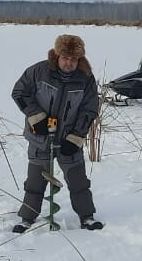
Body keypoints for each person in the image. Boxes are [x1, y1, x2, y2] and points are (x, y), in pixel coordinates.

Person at [11, 34, 102, 232]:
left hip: (68, 139)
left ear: (79, 60)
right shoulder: (39, 71)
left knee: (79, 182)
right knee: (35, 182)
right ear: (57, 55)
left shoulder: (85, 78)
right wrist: (36, 117)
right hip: (40, 137)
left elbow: (90, 109)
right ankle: (26, 218)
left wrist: (76, 136)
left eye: (73, 59)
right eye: (65, 58)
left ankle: (87, 217)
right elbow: (19, 92)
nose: (69, 63)